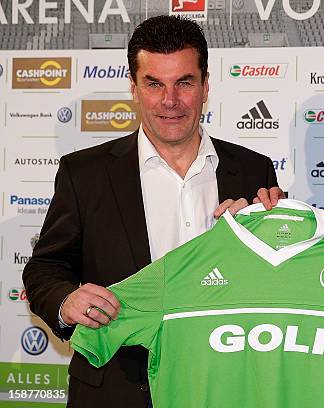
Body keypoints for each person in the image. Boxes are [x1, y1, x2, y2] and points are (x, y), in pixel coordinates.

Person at [23, 15, 282, 408]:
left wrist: (271, 230)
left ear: (206, 85)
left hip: (227, 385)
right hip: (117, 390)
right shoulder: (85, 173)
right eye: (154, 84)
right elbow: (44, 269)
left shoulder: (252, 169)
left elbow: (277, 280)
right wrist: (66, 301)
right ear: (133, 87)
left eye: (184, 82)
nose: (170, 101)